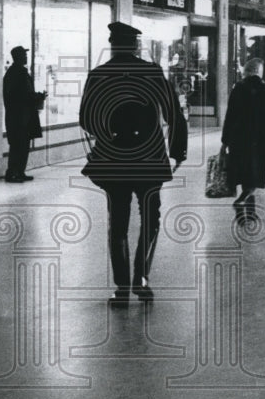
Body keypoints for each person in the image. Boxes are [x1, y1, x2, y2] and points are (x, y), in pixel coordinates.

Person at [80, 22, 187, 308]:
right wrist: (178, 150)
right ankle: (141, 277)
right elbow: (173, 113)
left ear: (113, 45)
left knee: (118, 223)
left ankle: (121, 288)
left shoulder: (99, 75)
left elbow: (86, 119)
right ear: (136, 46)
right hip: (149, 158)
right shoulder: (151, 72)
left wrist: (112, 133)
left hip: (114, 160)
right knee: (151, 219)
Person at [223, 58, 265, 220]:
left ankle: (249, 213)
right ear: (259, 72)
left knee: (245, 174)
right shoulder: (263, 90)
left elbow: (229, 116)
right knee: (254, 176)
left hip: (238, 139)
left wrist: (224, 142)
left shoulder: (238, 89)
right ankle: (241, 201)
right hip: (258, 140)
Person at [3, 45, 46, 183]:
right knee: (19, 145)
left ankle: (19, 172)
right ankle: (13, 173)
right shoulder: (19, 73)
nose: (26, 57)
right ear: (18, 57)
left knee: (20, 144)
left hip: (20, 116)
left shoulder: (15, 72)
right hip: (20, 116)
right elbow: (24, 95)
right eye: (24, 55)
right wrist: (38, 97)